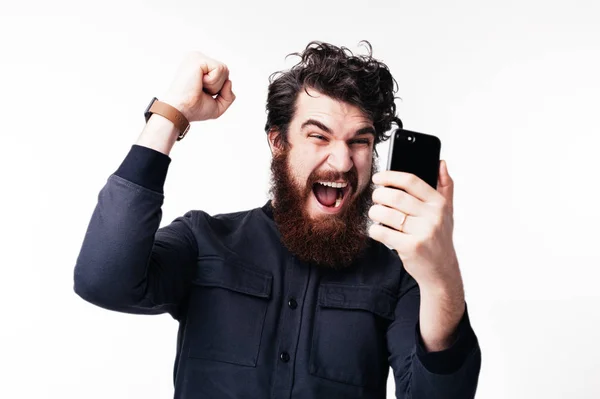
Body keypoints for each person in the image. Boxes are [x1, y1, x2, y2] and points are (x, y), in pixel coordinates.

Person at [74, 41, 481, 399]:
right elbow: (103, 280)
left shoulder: (398, 276)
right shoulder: (204, 240)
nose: (342, 162)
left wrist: (440, 270)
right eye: (318, 136)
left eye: (360, 141)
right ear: (278, 142)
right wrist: (171, 113)